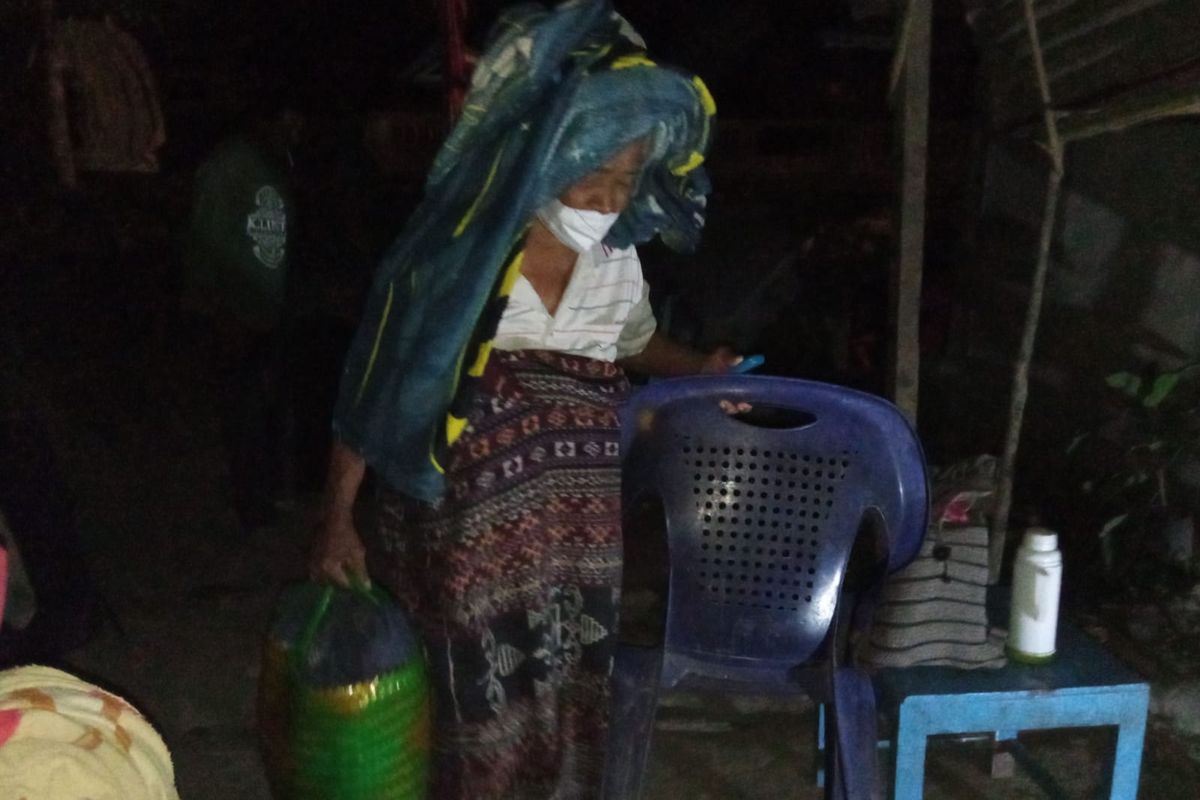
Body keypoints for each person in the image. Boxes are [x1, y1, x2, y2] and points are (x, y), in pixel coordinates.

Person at [310, 2, 740, 796]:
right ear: (541, 162)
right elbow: (375, 384)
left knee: (572, 677)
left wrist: (701, 369)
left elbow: (630, 343)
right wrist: (338, 518)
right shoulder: (459, 256)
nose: (609, 201)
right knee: (477, 692)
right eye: (592, 175)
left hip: (577, 528)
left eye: (625, 179)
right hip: (469, 533)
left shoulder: (614, 259)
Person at [181, 96, 304, 531]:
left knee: (270, 407)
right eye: (287, 117)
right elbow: (205, 239)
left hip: (270, 308)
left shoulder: (278, 165)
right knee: (243, 410)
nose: (295, 127)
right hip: (234, 312)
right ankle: (252, 503)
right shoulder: (228, 165)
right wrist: (214, 308)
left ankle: (270, 493)